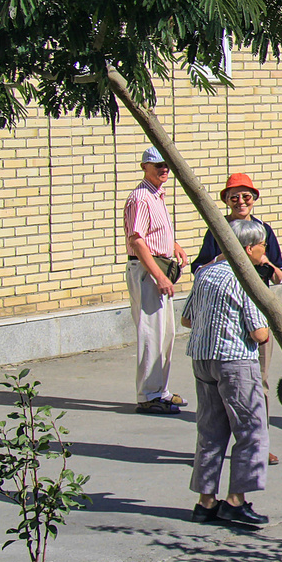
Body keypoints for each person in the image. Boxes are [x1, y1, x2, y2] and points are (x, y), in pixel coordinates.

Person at [182, 218, 273, 528]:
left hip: (202, 358)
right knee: (252, 430)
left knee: (209, 431)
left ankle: (205, 502)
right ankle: (236, 500)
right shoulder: (244, 278)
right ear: (247, 248)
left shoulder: (205, 273)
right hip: (235, 362)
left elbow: (187, 319)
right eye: (262, 244)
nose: (266, 249)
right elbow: (259, 333)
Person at [192, 173, 282, 466]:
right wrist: (223, 263)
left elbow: (279, 272)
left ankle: (260, 443)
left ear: (254, 199)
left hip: (257, 312)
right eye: (235, 197)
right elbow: (199, 267)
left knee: (260, 381)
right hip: (228, 317)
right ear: (226, 201)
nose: (241, 202)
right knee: (223, 389)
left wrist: (266, 264)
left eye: (247, 196)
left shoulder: (264, 230)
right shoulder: (217, 230)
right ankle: (227, 448)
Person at [122, 145, 188, 415]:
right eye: (157, 164)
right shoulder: (140, 197)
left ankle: (161, 389)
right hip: (147, 270)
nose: (163, 169)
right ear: (144, 167)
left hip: (159, 264)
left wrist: (174, 244)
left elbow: (154, 232)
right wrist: (158, 275)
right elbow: (137, 240)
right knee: (151, 333)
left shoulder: (157, 195)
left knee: (166, 333)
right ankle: (148, 395)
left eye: (166, 164)